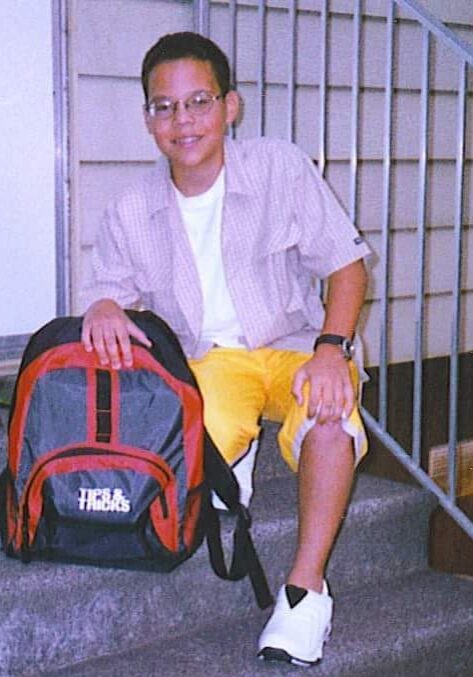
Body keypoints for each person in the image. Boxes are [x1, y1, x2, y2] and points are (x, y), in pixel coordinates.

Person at [80, 31, 371, 667]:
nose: (183, 121)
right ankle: (229, 453)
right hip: (212, 361)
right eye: (165, 107)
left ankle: (304, 593)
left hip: (297, 344)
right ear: (149, 119)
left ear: (230, 107)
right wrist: (101, 305)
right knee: (197, 433)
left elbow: (348, 269)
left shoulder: (278, 166)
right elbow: (107, 291)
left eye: (199, 101)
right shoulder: (131, 209)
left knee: (331, 417)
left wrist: (331, 350)